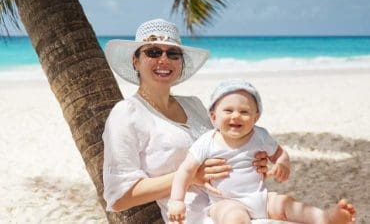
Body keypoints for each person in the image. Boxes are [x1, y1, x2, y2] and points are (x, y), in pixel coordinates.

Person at [102, 19, 269, 223]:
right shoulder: (126, 113)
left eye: (173, 54)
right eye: (153, 52)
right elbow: (120, 197)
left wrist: (253, 157)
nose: (164, 59)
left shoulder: (194, 105)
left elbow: (226, 145)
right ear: (135, 61)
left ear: (180, 62)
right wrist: (190, 176)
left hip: (243, 205)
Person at [167, 79, 356, 224]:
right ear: (213, 116)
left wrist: (282, 165)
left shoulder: (260, 135)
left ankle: (325, 217)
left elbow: (280, 154)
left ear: (256, 117)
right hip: (225, 201)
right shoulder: (207, 141)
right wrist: (177, 200)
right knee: (233, 217)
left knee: (287, 204)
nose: (236, 116)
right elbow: (185, 170)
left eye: (244, 111)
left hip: (261, 198)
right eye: (228, 110)